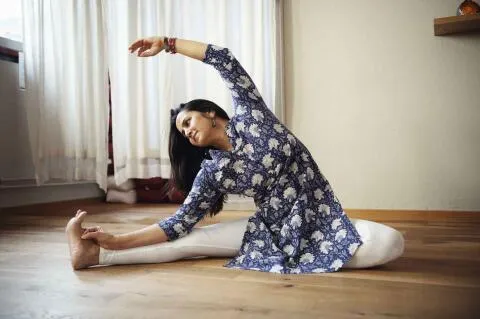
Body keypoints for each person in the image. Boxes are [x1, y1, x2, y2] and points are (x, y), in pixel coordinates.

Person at [66, 37, 404, 273]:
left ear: (208, 112)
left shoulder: (252, 113)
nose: (186, 131)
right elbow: (178, 223)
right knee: (189, 242)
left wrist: (168, 43)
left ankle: (312, 252)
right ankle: (94, 254)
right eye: (182, 133)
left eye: (187, 121)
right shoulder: (214, 172)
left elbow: (223, 58)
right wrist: (117, 240)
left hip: (320, 216)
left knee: (391, 243)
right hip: (272, 230)